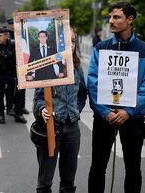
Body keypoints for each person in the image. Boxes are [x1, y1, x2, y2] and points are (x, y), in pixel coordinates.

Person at [87, 1, 145, 193]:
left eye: (116, 17)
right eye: (110, 17)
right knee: (98, 167)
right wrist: (103, 111)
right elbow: (93, 82)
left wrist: (129, 111)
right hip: (104, 116)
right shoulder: (100, 48)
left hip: (132, 118)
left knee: (133, 168)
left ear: (130, 19)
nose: (111, 21)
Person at [33, 28, 87, 193]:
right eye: (65, 41)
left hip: (72, 129)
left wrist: (75, 110)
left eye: (72, 41)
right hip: (51, 128)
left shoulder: (76, 67)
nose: (70, 45)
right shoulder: (46, 66)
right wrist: (43, 110)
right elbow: (38, 99)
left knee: (68, 183)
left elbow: (82, 93)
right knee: (45, 183)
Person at [0, 26, 26, 124]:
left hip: (11, 74)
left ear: (6, 36)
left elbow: (18, 58)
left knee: (15, 94)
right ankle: (1, 114)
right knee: (0, 94)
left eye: (1, 36)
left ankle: (18, 114)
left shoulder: (12, 45)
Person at [7, 18, 29, 115]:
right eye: (12, 25)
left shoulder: (21, 35)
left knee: (22, 87)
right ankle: (10, 107)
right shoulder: (7, 35)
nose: (13, 26)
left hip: (21, 65)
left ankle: (21, 106)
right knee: (11, 88)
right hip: (11, 66)